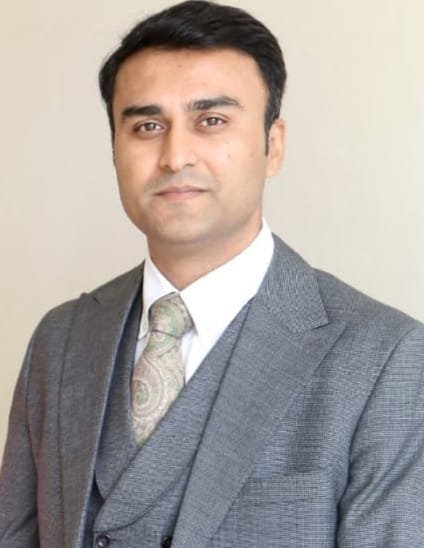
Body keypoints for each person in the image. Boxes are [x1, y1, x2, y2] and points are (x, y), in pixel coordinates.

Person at [1, 1, 424, 546]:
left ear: (273, 145)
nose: (176, 156)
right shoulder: (59, 341)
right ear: (114, 150)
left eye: (212, 121)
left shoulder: (386, 358)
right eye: (147, 126)